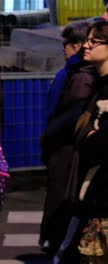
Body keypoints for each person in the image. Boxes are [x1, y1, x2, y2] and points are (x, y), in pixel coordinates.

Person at [39, 20, 96, 256]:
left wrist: (48, 137)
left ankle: (54, 242)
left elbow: (63, 114)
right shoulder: (78, 73)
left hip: (63, 145)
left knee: (61, 197)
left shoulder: (77, 75)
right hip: (64, 145)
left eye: (68, 43)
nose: (64, 48)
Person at [55, 19, 108, 263]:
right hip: (93, 188)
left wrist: (90, 139)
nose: (85, 45)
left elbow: (99, 143)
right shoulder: (96, 82)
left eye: (94, 41)